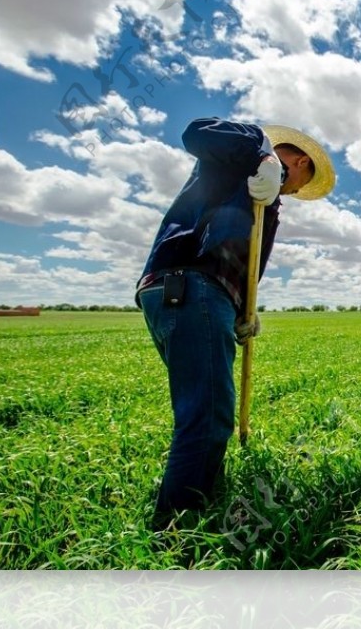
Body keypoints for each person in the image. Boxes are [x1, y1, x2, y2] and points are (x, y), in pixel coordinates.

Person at [136, 117, 335, 528]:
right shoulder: (247, 148)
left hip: (186, 292)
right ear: (297, 162)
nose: (292, 191)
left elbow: (243, 262)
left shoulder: (267, 204)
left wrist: (244, 309)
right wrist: (261, 156)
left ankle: (203, 497)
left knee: (203, 407)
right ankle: (176, 532)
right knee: (207, 415)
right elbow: (194, 132)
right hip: (192, 285)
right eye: (297, 183)